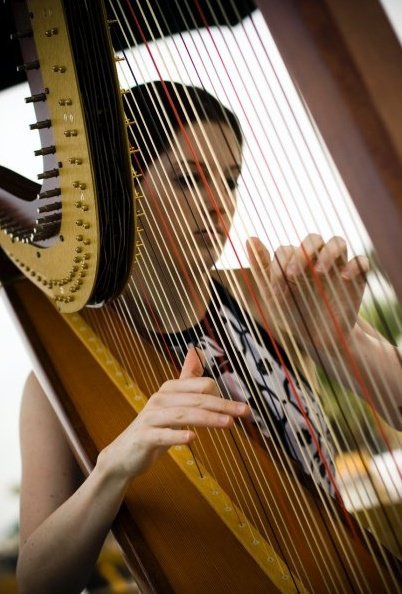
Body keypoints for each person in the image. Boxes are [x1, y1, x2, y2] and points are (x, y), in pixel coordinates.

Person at [16, 81, 402, 594]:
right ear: (121, 193)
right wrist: (115, 465)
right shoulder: (59, 379)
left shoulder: (269, 292)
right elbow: (39, 582)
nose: (220, 202)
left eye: (230, 178)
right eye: (187, 179)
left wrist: (339, 343)